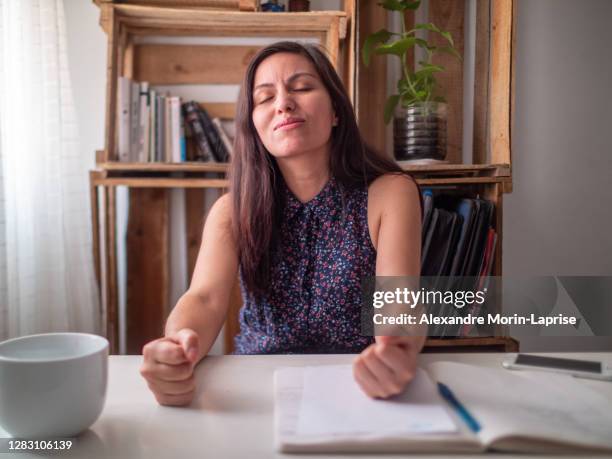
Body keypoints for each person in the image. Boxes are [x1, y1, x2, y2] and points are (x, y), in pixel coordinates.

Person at [140, 41, 424, 406]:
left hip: (360, 386)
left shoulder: (389, 193)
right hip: (258, 389)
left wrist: (397, 347)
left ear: (336, 110)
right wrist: (178, 343)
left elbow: (399, 298)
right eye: (264, 98)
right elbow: (205, 298)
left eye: (302, 87)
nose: (283, 104)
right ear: (253, 126)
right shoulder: (231, 210)